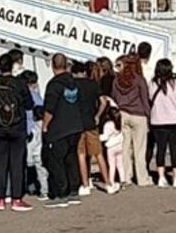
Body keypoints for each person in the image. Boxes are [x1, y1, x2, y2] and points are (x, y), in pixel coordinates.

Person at [0, 53, 34, 211]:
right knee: (17, 163)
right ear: (12, 66)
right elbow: (29, 104)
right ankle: (16, 198)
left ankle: (0, 198)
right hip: (17, 127)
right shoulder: (19, 83)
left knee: (0, 162)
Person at [42, 54, 85, 208]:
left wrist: (45, 125)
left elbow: (49, 108)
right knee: (71, 158)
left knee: (56, 161)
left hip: (59, 127)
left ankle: (61, 193)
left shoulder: (54, 84)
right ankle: (74, 190)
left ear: (53, 66)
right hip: (75, 125)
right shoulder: (74, 83)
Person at [72, 61, 114, 196]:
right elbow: (103, 102)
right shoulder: (93, 84)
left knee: (81, 154)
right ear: (85, 72)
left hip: (77, 123)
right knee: (98, 153)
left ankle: (85, 184)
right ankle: (108, 183)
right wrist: (97, 115)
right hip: (91, 122)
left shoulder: (72, 85)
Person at [111, 54, 152, 187]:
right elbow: (145, 100)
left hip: (123, 114)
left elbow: (114, 98)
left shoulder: (117, 81)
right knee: (139, 149)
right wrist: (149, 116)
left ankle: (126, 177)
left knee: (125, 148)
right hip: (139, 115)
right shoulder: (140, 80)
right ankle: (142, 178)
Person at [148, 59, 176, 189]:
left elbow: (149, 98)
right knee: (174, 150)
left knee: (161, 149)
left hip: (158, 121)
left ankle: (161, 177)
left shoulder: (152, 84)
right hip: (175, 120)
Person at [20, 71, 50, 199]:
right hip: (37, 129)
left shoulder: (22, 96)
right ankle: (44, 189)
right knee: (39, 162)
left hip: (27, 130)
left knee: (27, 161)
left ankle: (29, 187)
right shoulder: (37, 96)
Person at [98, 104, 124, 186]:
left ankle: (111, 181)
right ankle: (123, 180)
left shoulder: (108, 125)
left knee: (112, 165)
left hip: (111, 147)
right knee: (120, 164)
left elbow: (105, 136)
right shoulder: (119, 123)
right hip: (119, 145)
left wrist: (98, 138)